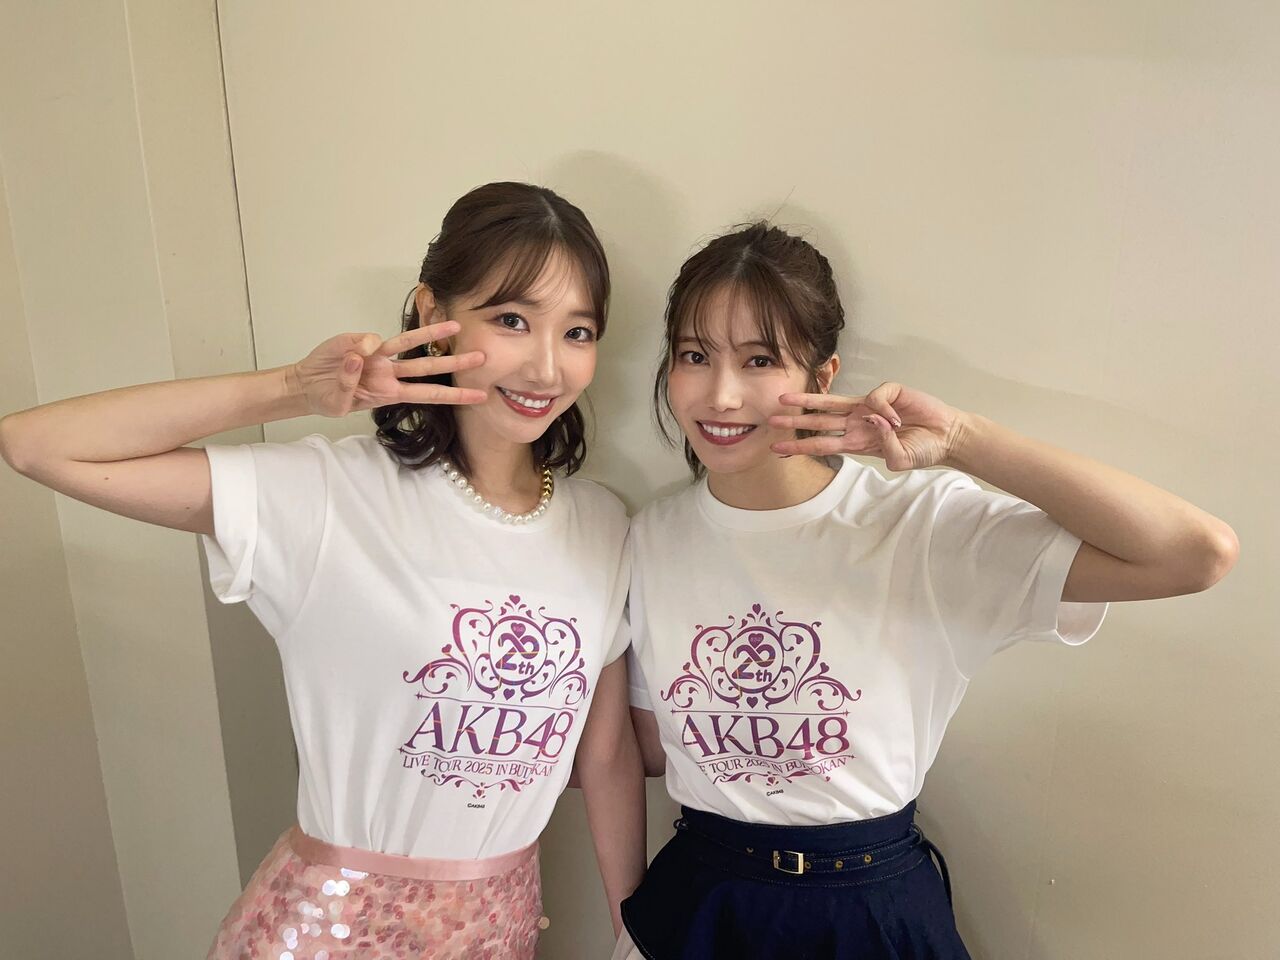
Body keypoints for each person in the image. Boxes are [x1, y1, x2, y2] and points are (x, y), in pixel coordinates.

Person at [0, 181, 645, 960]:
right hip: (323, 936)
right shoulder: (330, 495)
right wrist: (292, 389)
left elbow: (606, 756)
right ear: (432, 312)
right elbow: (36, 445)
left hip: (499, 935)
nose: (546, 366)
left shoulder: (603, 526)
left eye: (578, 332)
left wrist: (631, 932)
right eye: (512, 319)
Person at [613, 222, 1238, 959]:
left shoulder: (921, 525)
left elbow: (1195, 554)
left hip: (869, 913)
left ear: (822, 376)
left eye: (760, 359)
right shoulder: (650, 538)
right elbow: (650, 748)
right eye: (694, 356)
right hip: (698, 907)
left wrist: (963, 438)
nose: (721, 395)